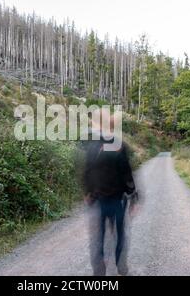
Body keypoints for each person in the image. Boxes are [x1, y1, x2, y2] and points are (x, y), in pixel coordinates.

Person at [81, 109, 139, 276]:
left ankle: (99, 272)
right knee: (120, 234)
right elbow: (126, 173)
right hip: (116, 200)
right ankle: (121, 267)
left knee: (97, 239)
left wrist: (88, 192)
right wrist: (133, 195)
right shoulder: (118, 145)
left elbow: (87, 171)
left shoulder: (91, 145)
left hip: (97, 200)